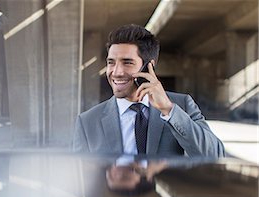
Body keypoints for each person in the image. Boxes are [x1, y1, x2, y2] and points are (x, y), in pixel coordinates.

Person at [73, 24, 225, 157]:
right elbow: (79, 180)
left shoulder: (181, 105)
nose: (116, 72)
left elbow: (215, 155)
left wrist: (168, 110)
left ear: (148, 66)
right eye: (111, 63)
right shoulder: (87, 122)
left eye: (127, 62)